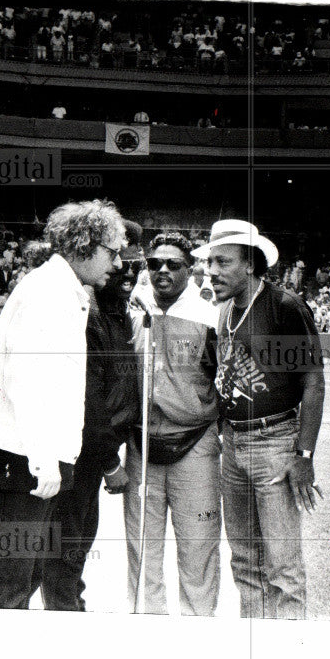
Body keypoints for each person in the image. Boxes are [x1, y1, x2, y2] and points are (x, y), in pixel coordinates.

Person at [0, 200, 127, 610]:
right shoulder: (48, 292)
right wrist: (43, 460)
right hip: (19, 458)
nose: (118, 263)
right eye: (112, 251)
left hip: (27, 457)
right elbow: (26, 379)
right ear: (83, 245)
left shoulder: (65, 289)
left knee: (25, 575)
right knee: (7, 583)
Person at [192, 219, 326, 620]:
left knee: (282, 566)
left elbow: (313, 383)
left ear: (249, 264)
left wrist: (303, 454)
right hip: (233, 445)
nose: (210, 271)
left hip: (276, 444)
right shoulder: (225, 310)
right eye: (208, 262)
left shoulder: (284, 307)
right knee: (246, 562)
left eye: (221, 262)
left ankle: (288, 653)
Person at [34, 220, 142, 611]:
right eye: (118, 261)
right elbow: (87, 397)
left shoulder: (115, 308)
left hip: (92, 454)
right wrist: (112, 461)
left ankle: (66, 610)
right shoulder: (88, 310)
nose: (126, 270)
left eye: (135, 263)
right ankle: (66, 620)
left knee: (72, 546)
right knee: (64, 549)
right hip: (80, 454)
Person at [123, 232, 222, 616]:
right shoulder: (134, 310)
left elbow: (225, 379)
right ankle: (146, 631)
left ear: (190, 269)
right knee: (141, 547)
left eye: (173, 264)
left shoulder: (209, 315)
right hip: (141, 444)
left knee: (198, 545)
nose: (162, 270)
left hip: (194, 443)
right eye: (154, 264)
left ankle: (197, 635)